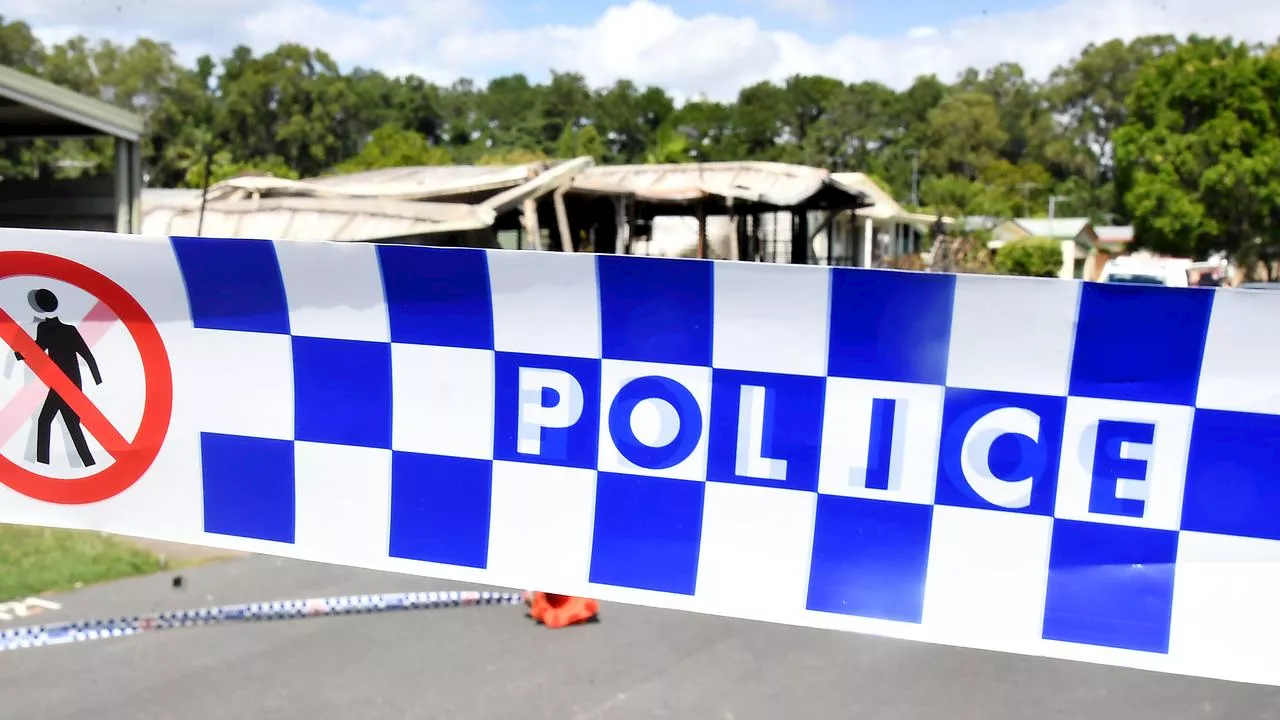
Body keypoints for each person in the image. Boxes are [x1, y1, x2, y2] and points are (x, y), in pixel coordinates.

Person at [13, 289, 102, 466]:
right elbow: (39, 349)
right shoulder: (61, 330)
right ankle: (86, 462)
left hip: (64, 383)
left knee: (47, 420)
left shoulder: (52, 329)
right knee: (68, 422)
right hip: (64, 381)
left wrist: (19, 355)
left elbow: (38, 349)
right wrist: (19, 354)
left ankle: (43, 463)